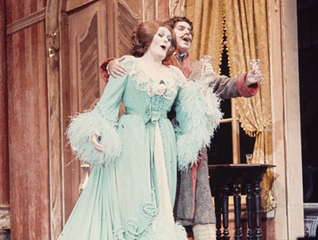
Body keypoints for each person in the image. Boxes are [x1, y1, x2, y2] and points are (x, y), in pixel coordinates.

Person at [100, 16, 262, 240]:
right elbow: (132, 64)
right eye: (181, 29)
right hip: (156, 140)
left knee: (199, 205)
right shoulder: (160, 61)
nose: (188, 33)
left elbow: (223, 85)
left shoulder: (197, 68)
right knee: (161, 201)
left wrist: (247, 79)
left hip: (190, 146)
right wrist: (110, 63)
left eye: (191, 31)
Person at [60, 20, 222, 240]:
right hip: (132, 140)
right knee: (133, 202)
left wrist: (204, 86)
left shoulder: (175, 75)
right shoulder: (127, 65)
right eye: (161, 35)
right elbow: (107, 106)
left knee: (162, 202)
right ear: (147, 38)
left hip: (163, 142)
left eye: (168, 38)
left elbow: (188, 113)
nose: (166, 40)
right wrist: (95, 130)